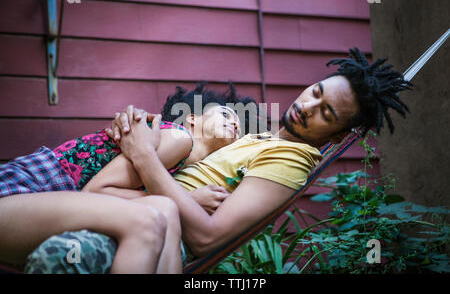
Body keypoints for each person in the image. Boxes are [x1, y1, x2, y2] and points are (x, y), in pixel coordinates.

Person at [23, 47, 413, 273]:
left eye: (326, 113)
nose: (307, 106)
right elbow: (184, 137)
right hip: (122, 209)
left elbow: (207, 236)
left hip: (152, 236)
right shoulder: (257, 137)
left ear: (339, 135)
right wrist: (138, 129)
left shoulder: (293, 156)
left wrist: (143, 154)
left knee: (58, 259)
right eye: (316, 91)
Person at [0, 83, 258, 273]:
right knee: (151, 217)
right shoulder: (179, 138)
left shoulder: (176, 162)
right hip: (21, 190)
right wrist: (188, 199)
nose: (235, 125)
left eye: (238, 125)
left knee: (165, 208)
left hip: (37, 208)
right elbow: (96, 191)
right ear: (191, 118)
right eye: (225, 115)